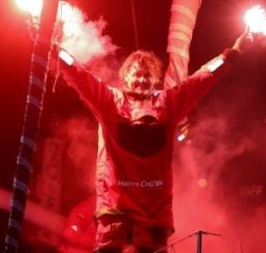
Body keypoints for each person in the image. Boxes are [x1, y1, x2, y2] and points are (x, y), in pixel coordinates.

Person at [55, 32, 252, 253]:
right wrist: (55, 51)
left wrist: (232, 54)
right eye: (136, 74)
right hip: (116, 210)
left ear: (155, 80)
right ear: (125, 77)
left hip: (154, 214)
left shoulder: (168, 104)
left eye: (147, 75)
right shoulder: (110, 102)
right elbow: (81, 77)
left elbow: (200, 80)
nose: (141, 79)